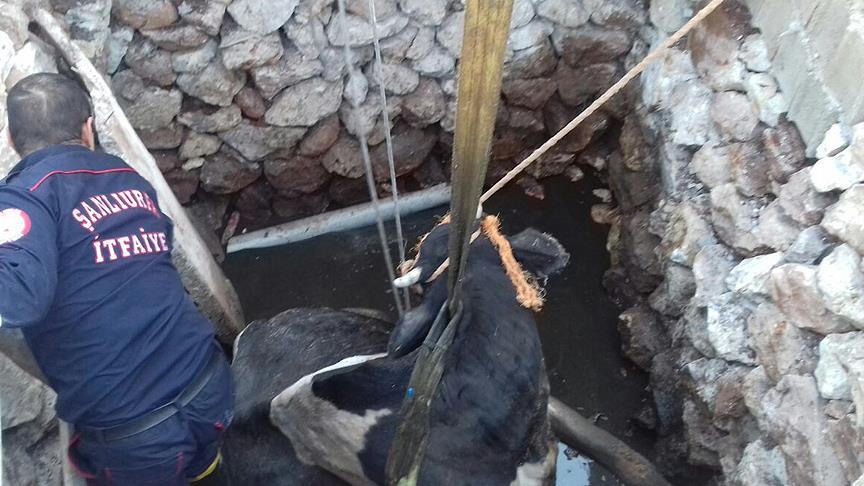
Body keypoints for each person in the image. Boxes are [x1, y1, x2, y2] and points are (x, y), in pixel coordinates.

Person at [0, 73, 233, 485]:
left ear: (12, 139)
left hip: (136, 434)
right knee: (208, 469)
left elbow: (18, 299)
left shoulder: (24, 197)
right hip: (208, 384)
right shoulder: (127, 177)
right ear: (88, 129)